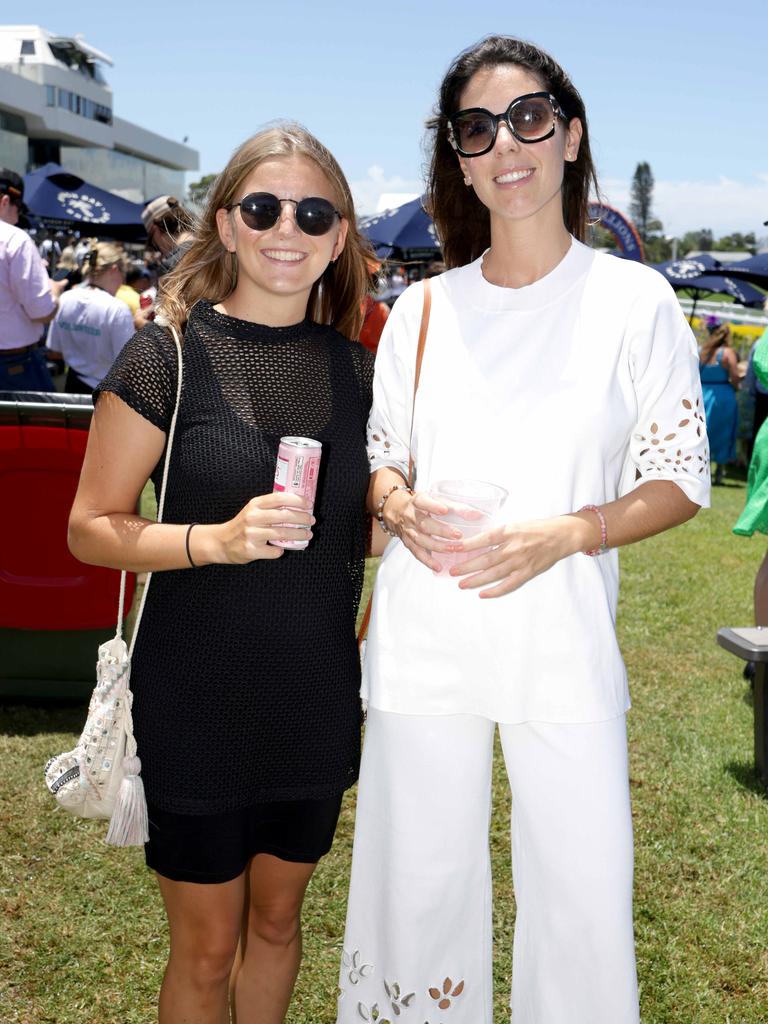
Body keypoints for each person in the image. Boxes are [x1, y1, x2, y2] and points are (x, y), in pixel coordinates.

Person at [337, 35, 710, 1024]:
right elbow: (383, 457)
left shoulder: (636, 302)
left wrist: (570, 533)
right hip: (425, 641)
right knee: (416, 893)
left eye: (530, 117)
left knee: (584, 899)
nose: (507, 143)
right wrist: (393, 500)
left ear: (570, 132)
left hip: (564, 641)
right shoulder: (418, 311)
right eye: (477, 127)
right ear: (458, 157)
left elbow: (680, 478)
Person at [67, 124, 375, 1024]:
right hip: (195, 698)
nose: (289, 227)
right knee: (205, 946)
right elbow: (90, 527)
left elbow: (371, 519)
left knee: (279, 926)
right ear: (228, 225)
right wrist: (213, 539)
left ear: (341, 234)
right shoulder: (166, 355)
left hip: (313, 697)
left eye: (314, 212)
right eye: (264, 207)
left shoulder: (362, 374)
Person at [0, 169, 65, 391]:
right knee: (47, 423)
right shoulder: (15, 240)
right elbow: (42, 311)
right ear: (6, 201)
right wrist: (54, 289)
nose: (18, 217)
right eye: (18, 209)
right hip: (13, 365)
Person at [47, 241, 136, 395]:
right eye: (124, 274)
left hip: (71, 388)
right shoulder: (117, 309)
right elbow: (128, 366)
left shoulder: (65, 298)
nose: (122, 281)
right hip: (106, 394)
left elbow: (54, 350)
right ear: (114, 270)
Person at [699, 315, 739, 484]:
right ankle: (719, 471)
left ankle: (701, 468)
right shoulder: (727, 352)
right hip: (723, 395)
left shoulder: (702, 351)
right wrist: (736, 386)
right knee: (723, 431)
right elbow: (735, 377)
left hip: (703, 392)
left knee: (703, 431)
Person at [142, 194, 195, 275]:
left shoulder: (171, 266)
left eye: (152, 243)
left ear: (154, 229)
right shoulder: (212, 248)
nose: (159, 251)